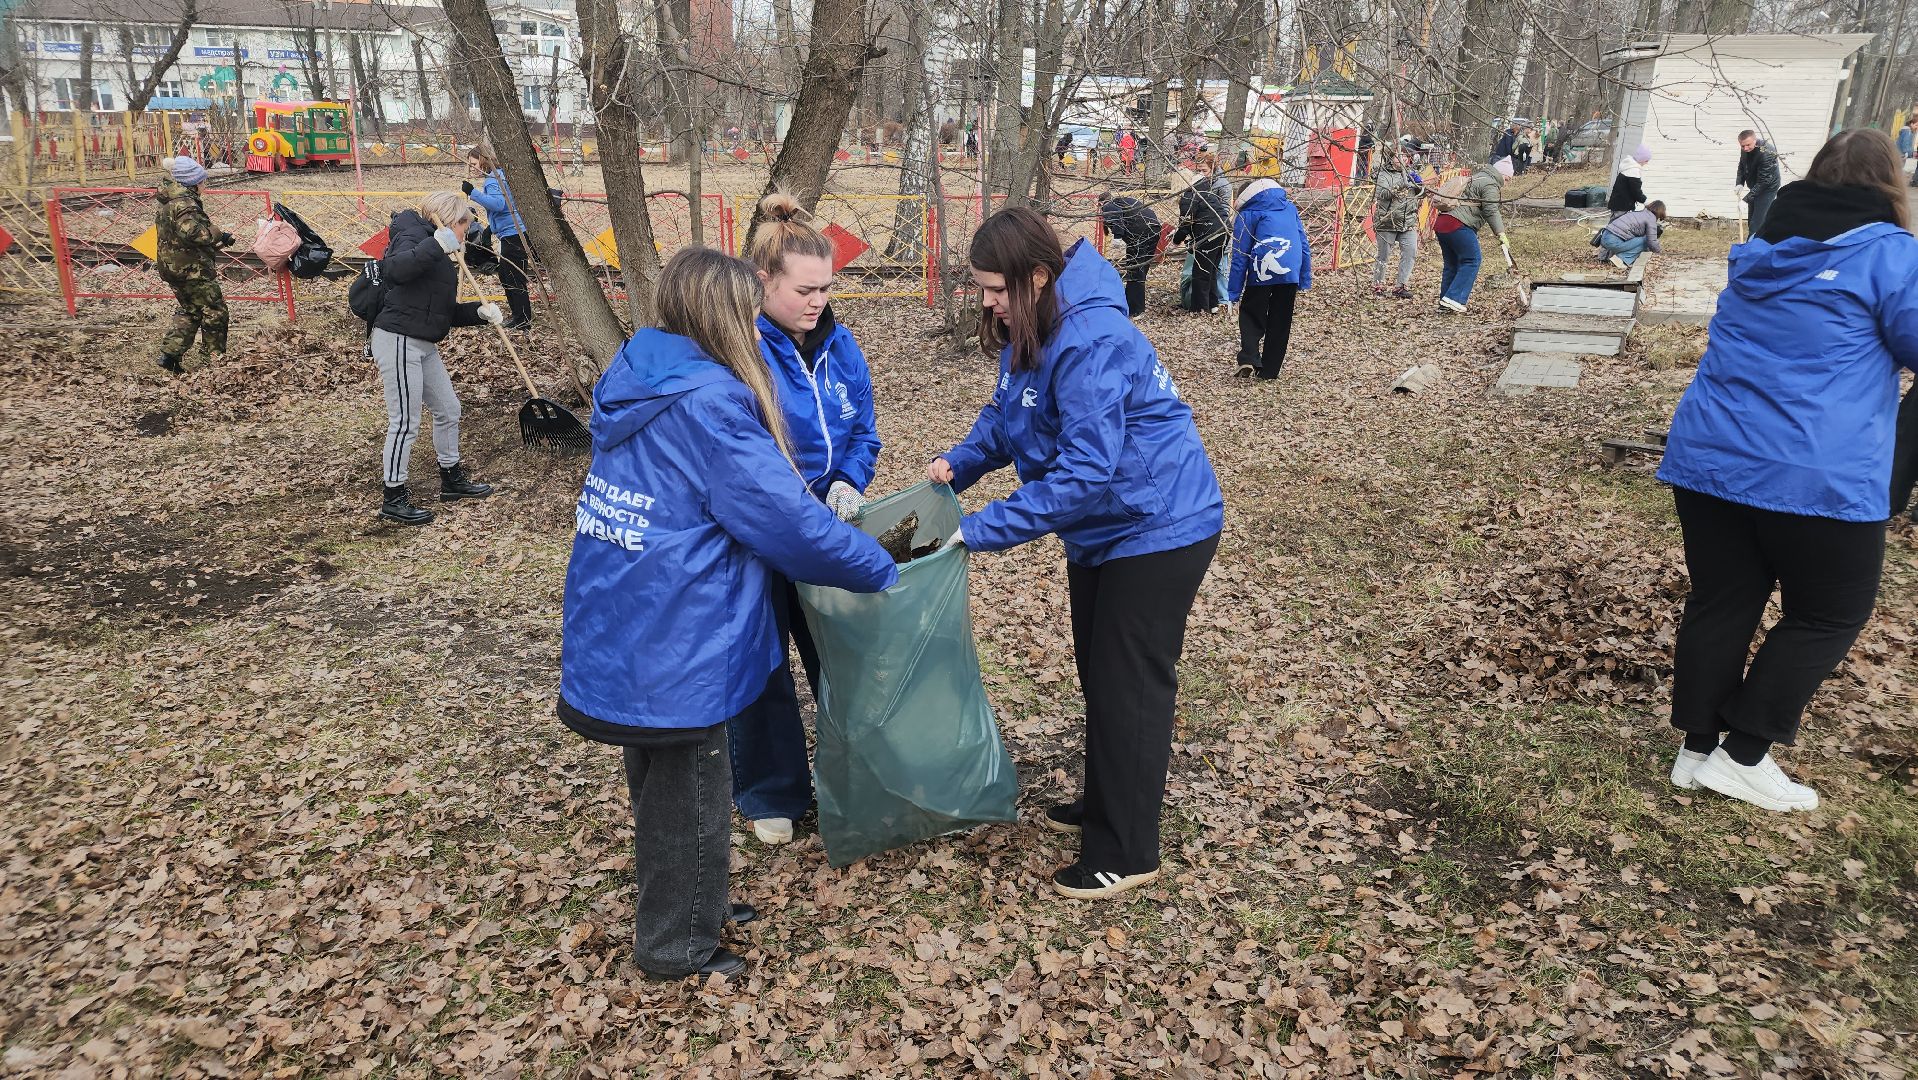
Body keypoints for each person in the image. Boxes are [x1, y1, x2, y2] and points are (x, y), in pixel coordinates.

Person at [559, 247, 896, 980]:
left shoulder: (642, 372)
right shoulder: (709, 403)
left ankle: (692, 905)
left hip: (629, 613)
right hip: (678, 626)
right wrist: (878, 565)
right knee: (692, 788)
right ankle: (676, 946)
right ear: (722, 313)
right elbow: (788, 525)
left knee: (661, 783)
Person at [927, 207, 1223, 900]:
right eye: (982, 290)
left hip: (1158, 525)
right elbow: (1010, 412)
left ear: (1037, 276)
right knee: (1102, 675)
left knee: (1131, 688)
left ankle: (1127, 849)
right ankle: (1106, 804)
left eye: (997, 289)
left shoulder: (1090, 337)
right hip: (1104, 530)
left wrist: (983, 527)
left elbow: (1086, 473)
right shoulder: (1032, 322)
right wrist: (961, 465)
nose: (989, 304)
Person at [1656, 128, 1918, 813]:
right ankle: (1743, 754)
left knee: (1723, 600)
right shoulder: (1892, 256)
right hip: (1816, 471)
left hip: (1711, 457)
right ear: (1891, 184)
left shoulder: (1762, 251)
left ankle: (1696, 751)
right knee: (1832, 612)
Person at [728, 193, 883, 846]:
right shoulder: (738, 347)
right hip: (761, 533)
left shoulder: (838, 342)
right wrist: (788, 505)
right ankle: (772, 790)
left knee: (841, 654)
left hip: (827, 526)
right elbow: (736, 453)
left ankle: (860, 771)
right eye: (805, 289)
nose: (818, 301)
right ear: (764, 280)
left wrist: (849, 478)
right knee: (762, 661)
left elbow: (863, 428)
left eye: (826, 287)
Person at [370, 191, 501, 526]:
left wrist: (479, 313)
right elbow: (394, 270)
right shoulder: (412, 235)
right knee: (405, 422)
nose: (465, 235)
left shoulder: (443, 252)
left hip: (424, 342)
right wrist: (436, 246)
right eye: (463, 227)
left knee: (448, 409)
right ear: (448, 220)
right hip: (398, 339)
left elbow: (441, 313)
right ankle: (394, 497)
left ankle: (452, 479)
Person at [1225, 177, 1312, 378]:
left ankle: (1249, 357)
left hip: (1261, 270)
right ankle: (1270, 371)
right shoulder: (1289, 208)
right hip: (1290, 269)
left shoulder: (1248, 213)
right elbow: (1303, 243)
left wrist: (1233, 293)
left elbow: (1240, 254)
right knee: (1281, 320)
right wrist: (1304, 278)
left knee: (1250, 313)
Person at [153, 156, 233, 374]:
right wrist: (216, 232)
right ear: (193, 183)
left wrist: (219, 240)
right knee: (215, 311)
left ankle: (169, 355)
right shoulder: (185, 204)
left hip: (174, 267)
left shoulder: (169, 202)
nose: (204, 184)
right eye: (202, 181)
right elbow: (195, 234)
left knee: (191, 311)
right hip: (192, 271)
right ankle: (213, 360)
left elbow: (180, 239)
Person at [463, 143, 533, 330]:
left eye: (474, 163)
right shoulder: (498, 175)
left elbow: (499, 204)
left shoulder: (493, 179)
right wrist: (490, 230)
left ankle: (523, 320)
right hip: (512, 232)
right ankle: (520, 316)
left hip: (513, 234)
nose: (472, 168)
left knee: (512, 277)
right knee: (507, 274)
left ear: (483, 160)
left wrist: (472, 192)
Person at [1431, 157, 1511, 313]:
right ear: (1501, 174)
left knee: (1452, 265)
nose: (1507, 182)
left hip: (1442, 222)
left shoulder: (1476, 178)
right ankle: (1455, 299)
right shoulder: (1490, 184)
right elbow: (1491, 210)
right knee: (1472, 260)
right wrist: (1501, 233)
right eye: (1507, 178)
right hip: (1458, 224)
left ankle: (1445, 301)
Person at [1171, 163, 1229, 313]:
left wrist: (1176, 241)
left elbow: (1185, 223)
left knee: (1200, 272)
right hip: (1224, 231)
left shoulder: (1189, 196)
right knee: (1211, 270)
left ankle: (1199, 309)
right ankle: (1213, 304)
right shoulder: (1208, 194)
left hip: (1208, 235)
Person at [1096, 190, 1161, 317]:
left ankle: (1136, 309)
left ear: (1100, 203)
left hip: (1139, 235)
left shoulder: (1109, 205)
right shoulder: (1125, 201)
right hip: (1154, 230)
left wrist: (1117, 237)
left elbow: (1117, 216)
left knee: (1135, 272)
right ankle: (1132, 304)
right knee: (1141, 270)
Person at [1371, 147, 1421, 298]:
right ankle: (1378, 285)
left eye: (1405, 157)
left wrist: (1420, 185)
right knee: (1384, 255)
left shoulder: (1412, 173)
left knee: (1410, 252)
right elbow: (1382, 194)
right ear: (1391, 158)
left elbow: (1419, 194)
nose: (1402, 159)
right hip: (1387, 220)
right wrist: (1402, 183)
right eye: (1398, 156)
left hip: (1408, 221)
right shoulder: (1383, 174)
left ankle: (1401, 285)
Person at [1735, 129, 1782, 234]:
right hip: (1756, 185)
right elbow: (1742, 165)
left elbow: (1764, 181)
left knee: (1757, 223)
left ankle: (1753, 247)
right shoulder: (1745, 148)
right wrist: (1739, 183)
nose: (1745, 148)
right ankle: (1753, 243)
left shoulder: (1766, 152)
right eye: (1742, 146)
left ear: (1755, 140)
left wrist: (1745, 200)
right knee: (1752, 220)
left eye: (1748, 145)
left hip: (1767, 188)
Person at [1595, 200, 1666, 267]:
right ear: (1661, 212)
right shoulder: (1651, 218)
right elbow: (1652, 242)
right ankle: (1621, 259)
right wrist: (1659, 253)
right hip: (1613, 241)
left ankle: (1614, 257)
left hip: (1604, 237)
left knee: (1640, 240)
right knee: (1646, 240)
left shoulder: (1640, 211)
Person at [1609, 144, 1651, 220]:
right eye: (1646, 160)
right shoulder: (1633, 171)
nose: (1646, 163)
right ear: (1641, 159)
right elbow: (1636, 191)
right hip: (1622, 205)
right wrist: (1645, 200)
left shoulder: (1628, 166)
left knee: (1615, 224)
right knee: (1618, 226)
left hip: (1618, 203)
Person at [1897, 115, 1917, 187]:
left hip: (1898, 152)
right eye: (1916, 125)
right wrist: (1907, 153)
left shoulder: (1904, 130)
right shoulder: (1908, 131)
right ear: (1911, 124)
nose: (1916, 127)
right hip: (1902, 154)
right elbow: (1905, 143)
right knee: (1898, 169)